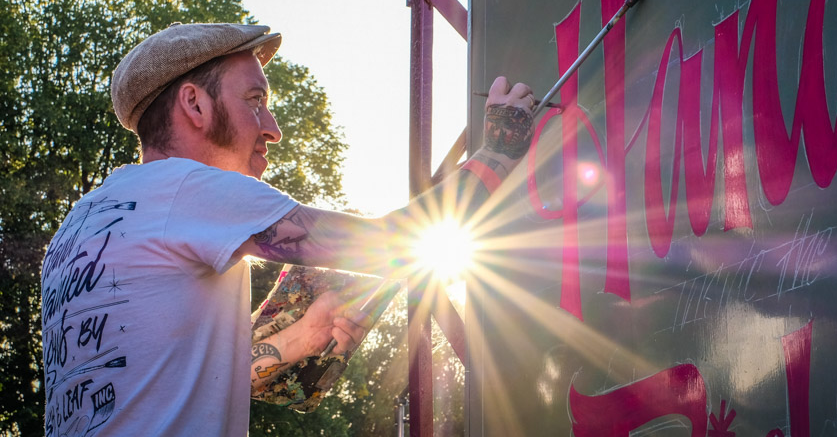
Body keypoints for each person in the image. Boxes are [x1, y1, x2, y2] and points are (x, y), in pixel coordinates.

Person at [39, 22, 535, 437]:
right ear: (194, 104)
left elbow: (172, 388)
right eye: (255, 100)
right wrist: (497, 152)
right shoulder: (188, 188)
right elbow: (391, 242)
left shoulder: (82, 225)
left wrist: (303, 336)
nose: (272, 126)